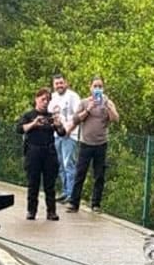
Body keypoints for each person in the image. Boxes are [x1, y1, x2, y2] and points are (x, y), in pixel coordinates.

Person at [66, 76, 118, 213]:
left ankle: (96, 204)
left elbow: (115, 119)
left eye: (100, 86)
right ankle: (73, 202)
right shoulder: (84, 102)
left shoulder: (108, 103)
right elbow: (76, 119)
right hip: (85, 143)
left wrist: (108, 107)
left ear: (103, 88)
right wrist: (88, 109)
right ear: (90, 87)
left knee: (99, 175)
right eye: (95, 86)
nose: (97, 89)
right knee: (80, 173)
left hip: (101, 144)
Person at [15, 87, 64, 220]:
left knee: (50, 184)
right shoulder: (29, 115)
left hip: (48, 151)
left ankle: (51, 211)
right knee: (33, 183)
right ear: (36, 99)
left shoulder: (51, 116)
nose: (45, 102)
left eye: (47, 100)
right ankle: (31, 211)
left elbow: (62, 132)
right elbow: (19, 129)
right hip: (33, 151)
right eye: (43, 99)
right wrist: (34, 124)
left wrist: (58, 124)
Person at [49, 74, 82, 203]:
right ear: (54, 85)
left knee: (69, 164)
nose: (59, 86)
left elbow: (78, 116)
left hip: (69, 135)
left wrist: (69, 129)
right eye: (57, 83)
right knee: (60, 164)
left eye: (61, 83)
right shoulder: (53, 97)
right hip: (56, 135)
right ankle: (65, 190)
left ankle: (71, 193)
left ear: (66, 83)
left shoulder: (73, 97)